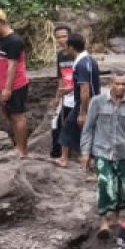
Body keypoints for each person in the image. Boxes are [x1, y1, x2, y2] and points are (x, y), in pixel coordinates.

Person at [81, 73, 125, 238]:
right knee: (104, 184)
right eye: (117, 83)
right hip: (102, 152)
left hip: (122, 153)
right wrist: (85, 152)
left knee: (121, 186)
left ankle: (116, 219)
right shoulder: (98, 102)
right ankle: (103, 221)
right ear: (111, 84)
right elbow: (88, 128)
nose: (121, 87)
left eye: (124, 84)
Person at [0, 8, 30, 158]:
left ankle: (22, 151)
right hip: (5, 84)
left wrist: (7, 89)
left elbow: (12, 66)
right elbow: (2, 59)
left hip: (15, 85)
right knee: (11, 115)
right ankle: (18, 147)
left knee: (18, 116)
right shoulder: (3, 40)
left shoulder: (14, 41)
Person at [59, 33, 100, 169]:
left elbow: (85, 89)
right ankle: (86, 159)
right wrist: (69, 90)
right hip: (94, 101)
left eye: (66, 46)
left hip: (86, 103)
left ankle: (66, 159)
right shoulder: (89, 60)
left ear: (71, 47)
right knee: (84, 130)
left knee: (70, 127)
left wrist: (83, 112)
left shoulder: (81, 64)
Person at [50, 25, 74, 164]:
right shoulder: (60, 55)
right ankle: (57, 155)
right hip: (65, 94)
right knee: (57, 123)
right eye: (58, 37)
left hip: (77, 94)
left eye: (64, 36)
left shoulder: (78, 54)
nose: (61, 40)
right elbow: (61, 77)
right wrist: (57, 97)